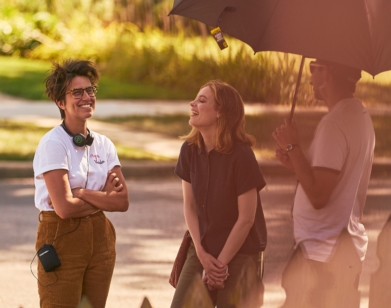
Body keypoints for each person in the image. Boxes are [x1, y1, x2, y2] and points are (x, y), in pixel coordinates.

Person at [272, 59, 375, 306]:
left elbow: (319, 196)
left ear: (326, 72)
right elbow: (333, 182)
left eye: (313, 68)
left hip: (322, 257)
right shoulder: (359, 115)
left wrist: (292, 146)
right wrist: (296, 162)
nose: (309, 78)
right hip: (337, 252)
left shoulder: (334, 123)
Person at [33, 59, 129, 308]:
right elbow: (64, 209)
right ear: (60, 102)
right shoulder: (53, 143)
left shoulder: (104, 144)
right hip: (61, 238)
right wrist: (102, 197)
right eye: (77, 92)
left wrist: (82, 192)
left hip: (101, 239)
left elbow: (121, 201)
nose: (86, 96)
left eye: (90, 90)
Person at [171, 80, 267, 308]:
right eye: (195, 99)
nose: (192, 104)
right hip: (202, 248)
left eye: (202, 101)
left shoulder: (242, 155)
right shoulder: (189, 150)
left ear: (220, 112)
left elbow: (246, 219)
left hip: (242, 253)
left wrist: (220, 266)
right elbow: (190, 208)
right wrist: (202, 255)